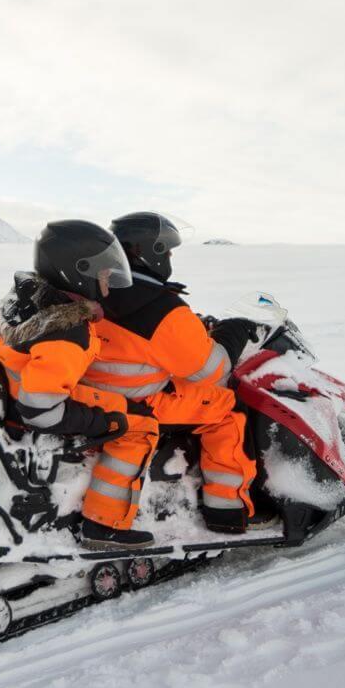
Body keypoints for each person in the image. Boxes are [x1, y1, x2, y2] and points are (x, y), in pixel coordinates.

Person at [0, 220, 161, 548]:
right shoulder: (67, 335)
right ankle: (104, 522)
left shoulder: (22, 301)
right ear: (78, 273)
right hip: (35, 403)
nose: (109, 282)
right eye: (104, 274)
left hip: (17, 387)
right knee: (141, 425)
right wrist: (102, 422)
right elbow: (41, 412)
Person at [89, 211, 260, 534]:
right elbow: (213, 369)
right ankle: (226, 509)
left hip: (95, 391)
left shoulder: (96, 288)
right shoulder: (161, 308)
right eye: (166, 251)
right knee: (228, 408)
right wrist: (233, 334)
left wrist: (193, 325)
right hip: (141, 400)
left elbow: (141, 340)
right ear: (147, 252)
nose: (169, 257)